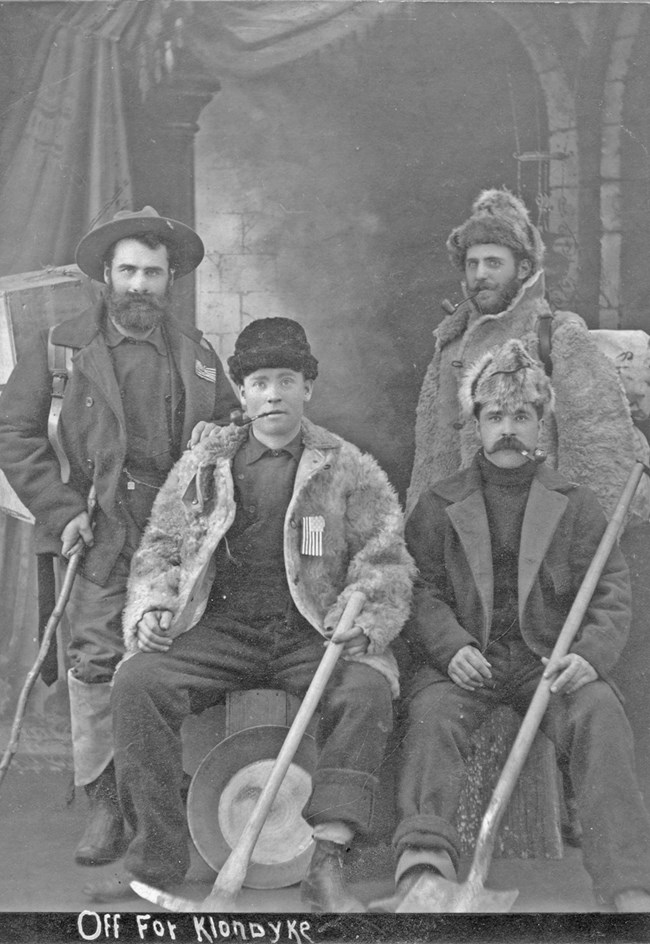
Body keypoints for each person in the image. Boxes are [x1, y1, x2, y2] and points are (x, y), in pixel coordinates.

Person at [83, 317, 415, 910]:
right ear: (241, 393)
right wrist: (156, 606)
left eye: (287, 379)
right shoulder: (205, 466)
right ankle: (154, 860)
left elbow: (385, 556)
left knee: (366, 690)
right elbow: (162, 545)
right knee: (137, 680)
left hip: (309, 633)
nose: (273, 394)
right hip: (220, 632)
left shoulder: (346, 467)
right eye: (259, 382)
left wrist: (362, 617)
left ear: (308, 388)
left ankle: (327, 863)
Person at [374, 338, 650, 913]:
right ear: (475, 423)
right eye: (495, 415)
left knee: (601, 713)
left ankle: (626, 883)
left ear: (541, 424)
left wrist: (589, 656)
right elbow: (418, 586)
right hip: (465, 662)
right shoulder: (439, 501)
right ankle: (423, 868)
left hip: (546, 665)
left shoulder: (576, 505)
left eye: (521, 416)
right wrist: (449, 647)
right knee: (430, 717)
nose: (508, 429)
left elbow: (610, 591)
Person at [0, 207, 239, 866]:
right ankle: (104, 801)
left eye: (153, 273)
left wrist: (218, 442)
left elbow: (230, 428)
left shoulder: (197, 355)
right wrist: (61, 510)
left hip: (175, 546)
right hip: (99, 532)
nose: (140, 285)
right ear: (107, 274)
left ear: (169, 282)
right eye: (129, 270)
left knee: (162, 662)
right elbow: (13, 433)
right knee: (96, 662)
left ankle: (156, 793)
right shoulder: (61, 349)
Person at [407, 188, 643, 522]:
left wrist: (580, 548)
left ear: (523, 268)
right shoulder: (449, 346)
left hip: (539, 539)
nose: (480, 275)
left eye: (493, 262)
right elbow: (428, 464)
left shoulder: (556, 337)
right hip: (457, 541)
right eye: (472, 263)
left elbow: (601, 457)